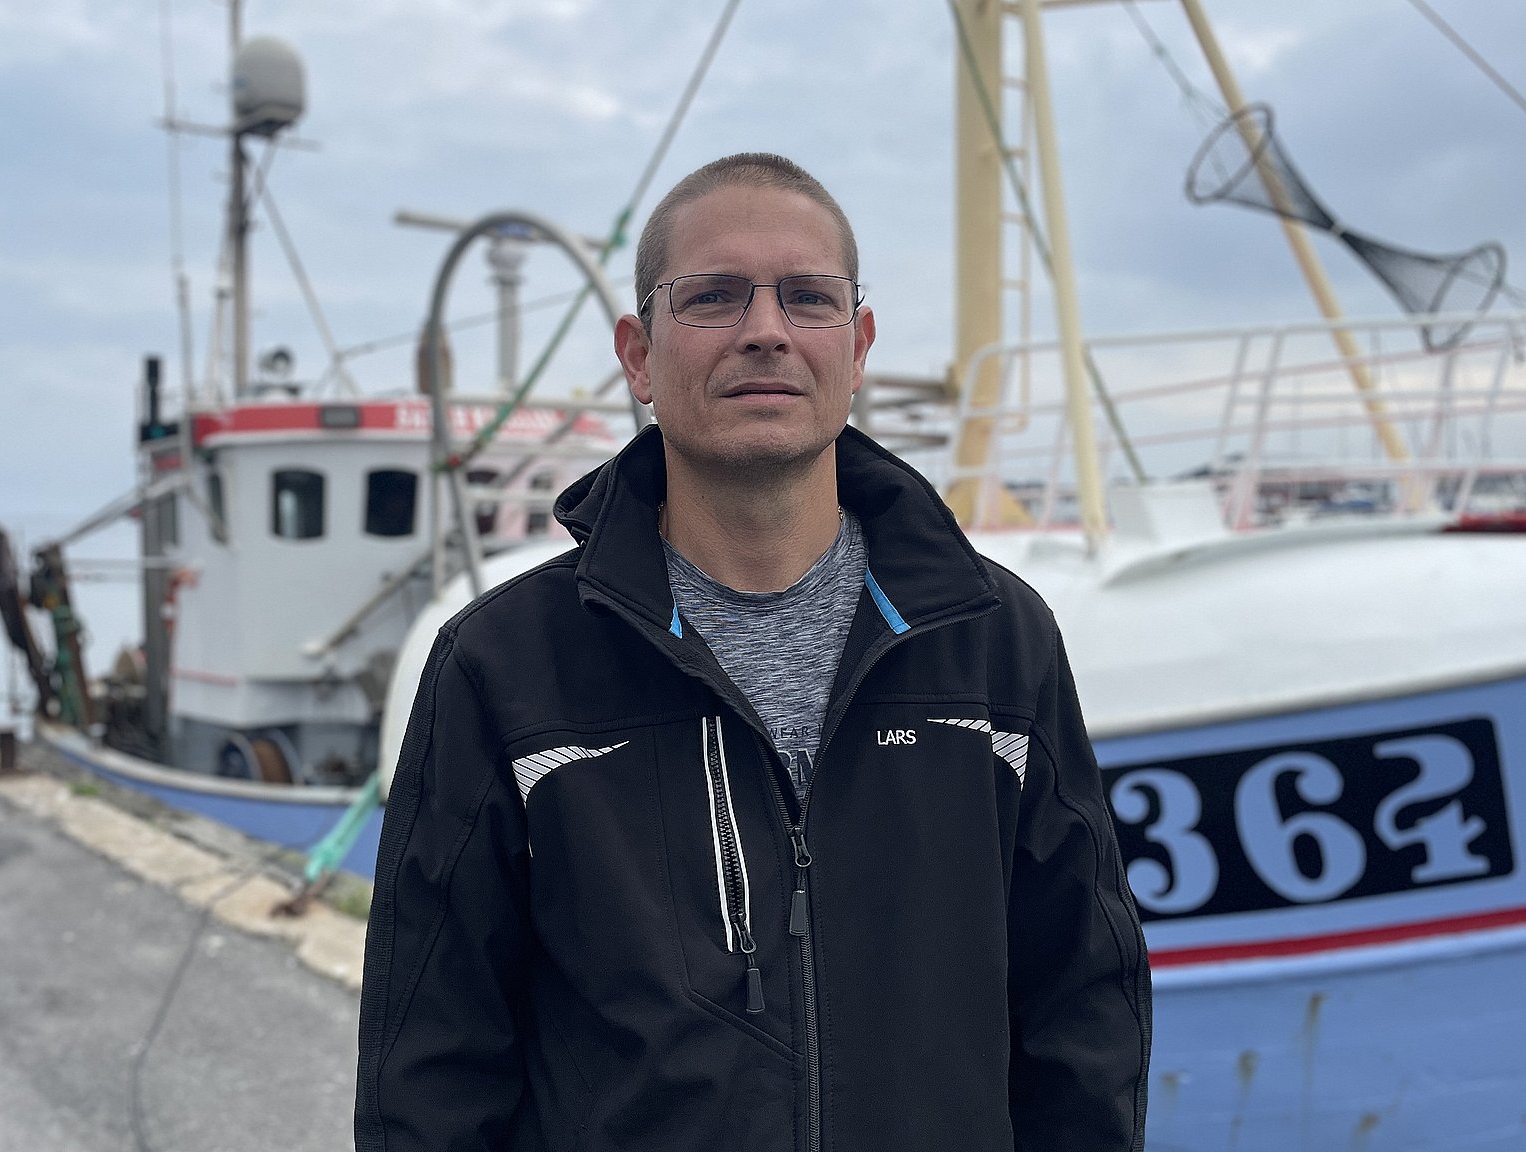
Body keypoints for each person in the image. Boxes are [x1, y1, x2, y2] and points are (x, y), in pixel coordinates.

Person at [356, 152, 1151, 1152]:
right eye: (715, 297)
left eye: (807, 298)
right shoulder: (502, 666)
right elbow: (429, 1064)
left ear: (855, 348)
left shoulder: (993, 641)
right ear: (639, 356)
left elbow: (1081, 1011)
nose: (765, 329)